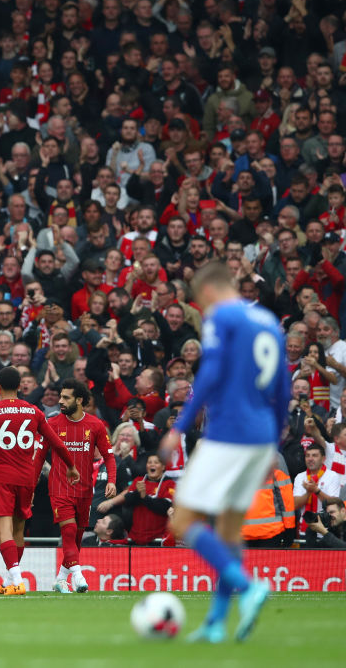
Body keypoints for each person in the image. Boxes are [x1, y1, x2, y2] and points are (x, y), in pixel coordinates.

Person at [160, 262, 290, 643]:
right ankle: (217, 622)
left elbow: (211, 371)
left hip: (229, 432)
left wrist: (179, 427)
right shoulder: (267, 321)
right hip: (262, 435)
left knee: (182, 521)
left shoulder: (222, 315)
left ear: (209, 292)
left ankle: (246, 587)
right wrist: (274, 444)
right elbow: (282, 387)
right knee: (230, 533)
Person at [0, 367, 78, 596]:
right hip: (26, 479)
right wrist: (71, 466)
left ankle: (17, 579)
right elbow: (56, 442)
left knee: (3, 529)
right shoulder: (34, 411)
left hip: (2, 477)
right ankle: (9, 580)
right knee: (19, 530)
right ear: (20, 386)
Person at [43, 379, 116, 594]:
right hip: (59, 487)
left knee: (76, 538)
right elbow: (39, 457)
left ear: (79, 400)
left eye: (66, 397)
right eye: (60, 397)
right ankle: (79, 576)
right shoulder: (53, 424)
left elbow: (109, 457)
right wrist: (30, 484)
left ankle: (60, 579)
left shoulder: (95, 425)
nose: (60, 401)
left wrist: (111, 479)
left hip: (84, 490)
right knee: (69, 530)